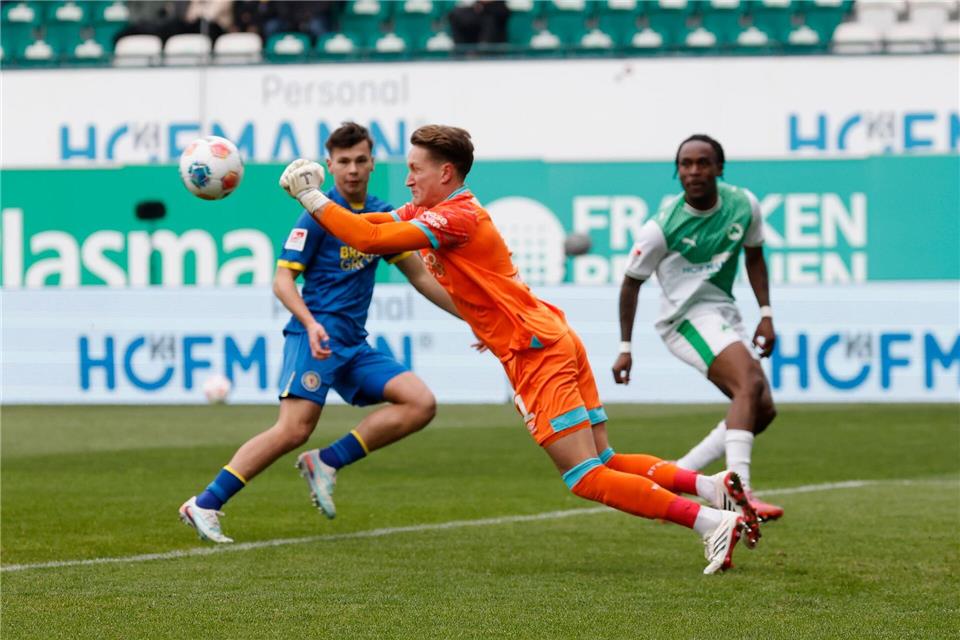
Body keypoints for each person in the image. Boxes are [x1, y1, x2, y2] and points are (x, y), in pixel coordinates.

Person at [277, 125, 764, 574]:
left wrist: (311, 196)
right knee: (605, 458)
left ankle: (709, 522)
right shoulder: (429, 211)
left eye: (414, 169)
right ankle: (710, 487)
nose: (406, 180)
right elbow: (377, 227)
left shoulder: (455, 215)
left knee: (584, 476)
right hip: (549, 333)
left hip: (534, 350)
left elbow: (369, 236)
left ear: (445, 173)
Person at [179, 122, 458, 543]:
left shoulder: (380, 217)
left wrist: (477, 317)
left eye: (360, 160)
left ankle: (326, 462)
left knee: (420, 403)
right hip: (313, 339)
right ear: (329, 165)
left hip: (352, 345)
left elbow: (420, 277)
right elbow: (282, 281)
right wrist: (310, 325)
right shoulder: (316, 215)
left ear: (371, 163)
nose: (352, 170)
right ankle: (205, 503)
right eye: (343, 162)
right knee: (292, 430)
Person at [611, 134, 784, 522]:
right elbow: (630, 283)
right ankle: (740, 491)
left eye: (702, 163)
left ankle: (676, 477)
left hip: (723, 313)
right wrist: (626, 347)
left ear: (719, 168)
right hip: (683, 320)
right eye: (685, 164)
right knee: (749, 385)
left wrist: (767, 313)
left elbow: (755, 258)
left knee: (764, 410)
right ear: (678, 172)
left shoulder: (744, 205)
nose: (694, 171)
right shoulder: (661, 227)